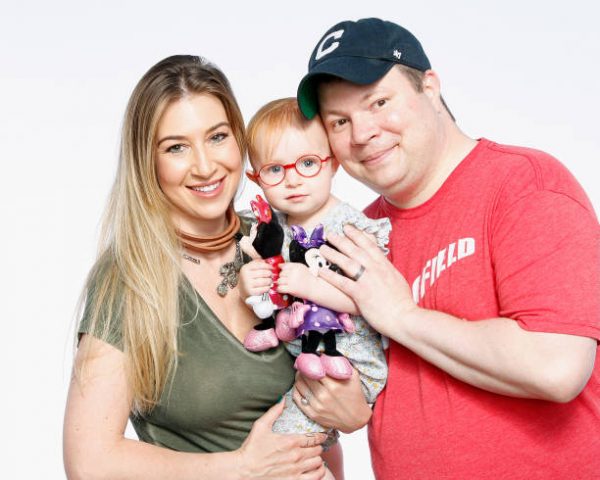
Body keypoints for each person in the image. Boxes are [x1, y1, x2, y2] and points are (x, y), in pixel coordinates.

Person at [295, 17, 600, 479]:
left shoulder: (523, 186)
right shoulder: (358, 233)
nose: (361, 133)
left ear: (430, 88)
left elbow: (556, 366)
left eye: (379, 102)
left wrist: (401, 316)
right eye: (340, 121)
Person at [63, 55, 368, 480]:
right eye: (176, 147)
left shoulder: (275, 236)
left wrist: (352, 408)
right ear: (146, 161)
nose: (205, 166)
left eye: (217, 136)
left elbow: (331, 396)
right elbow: (90, 463)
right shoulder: (129, 279)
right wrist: (242, 467)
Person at [238, 98, 389, 474]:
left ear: (332, 163)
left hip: (351, 364)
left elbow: (373, 300)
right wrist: (249, 280)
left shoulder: (351, 229)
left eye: (307, 164)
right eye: (274, 169)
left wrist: (312, 284)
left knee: (284, 446)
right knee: (293, 447)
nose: (292, 180)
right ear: (255, 177)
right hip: (305, 358)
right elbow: (266, 279)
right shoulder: (273, 226)